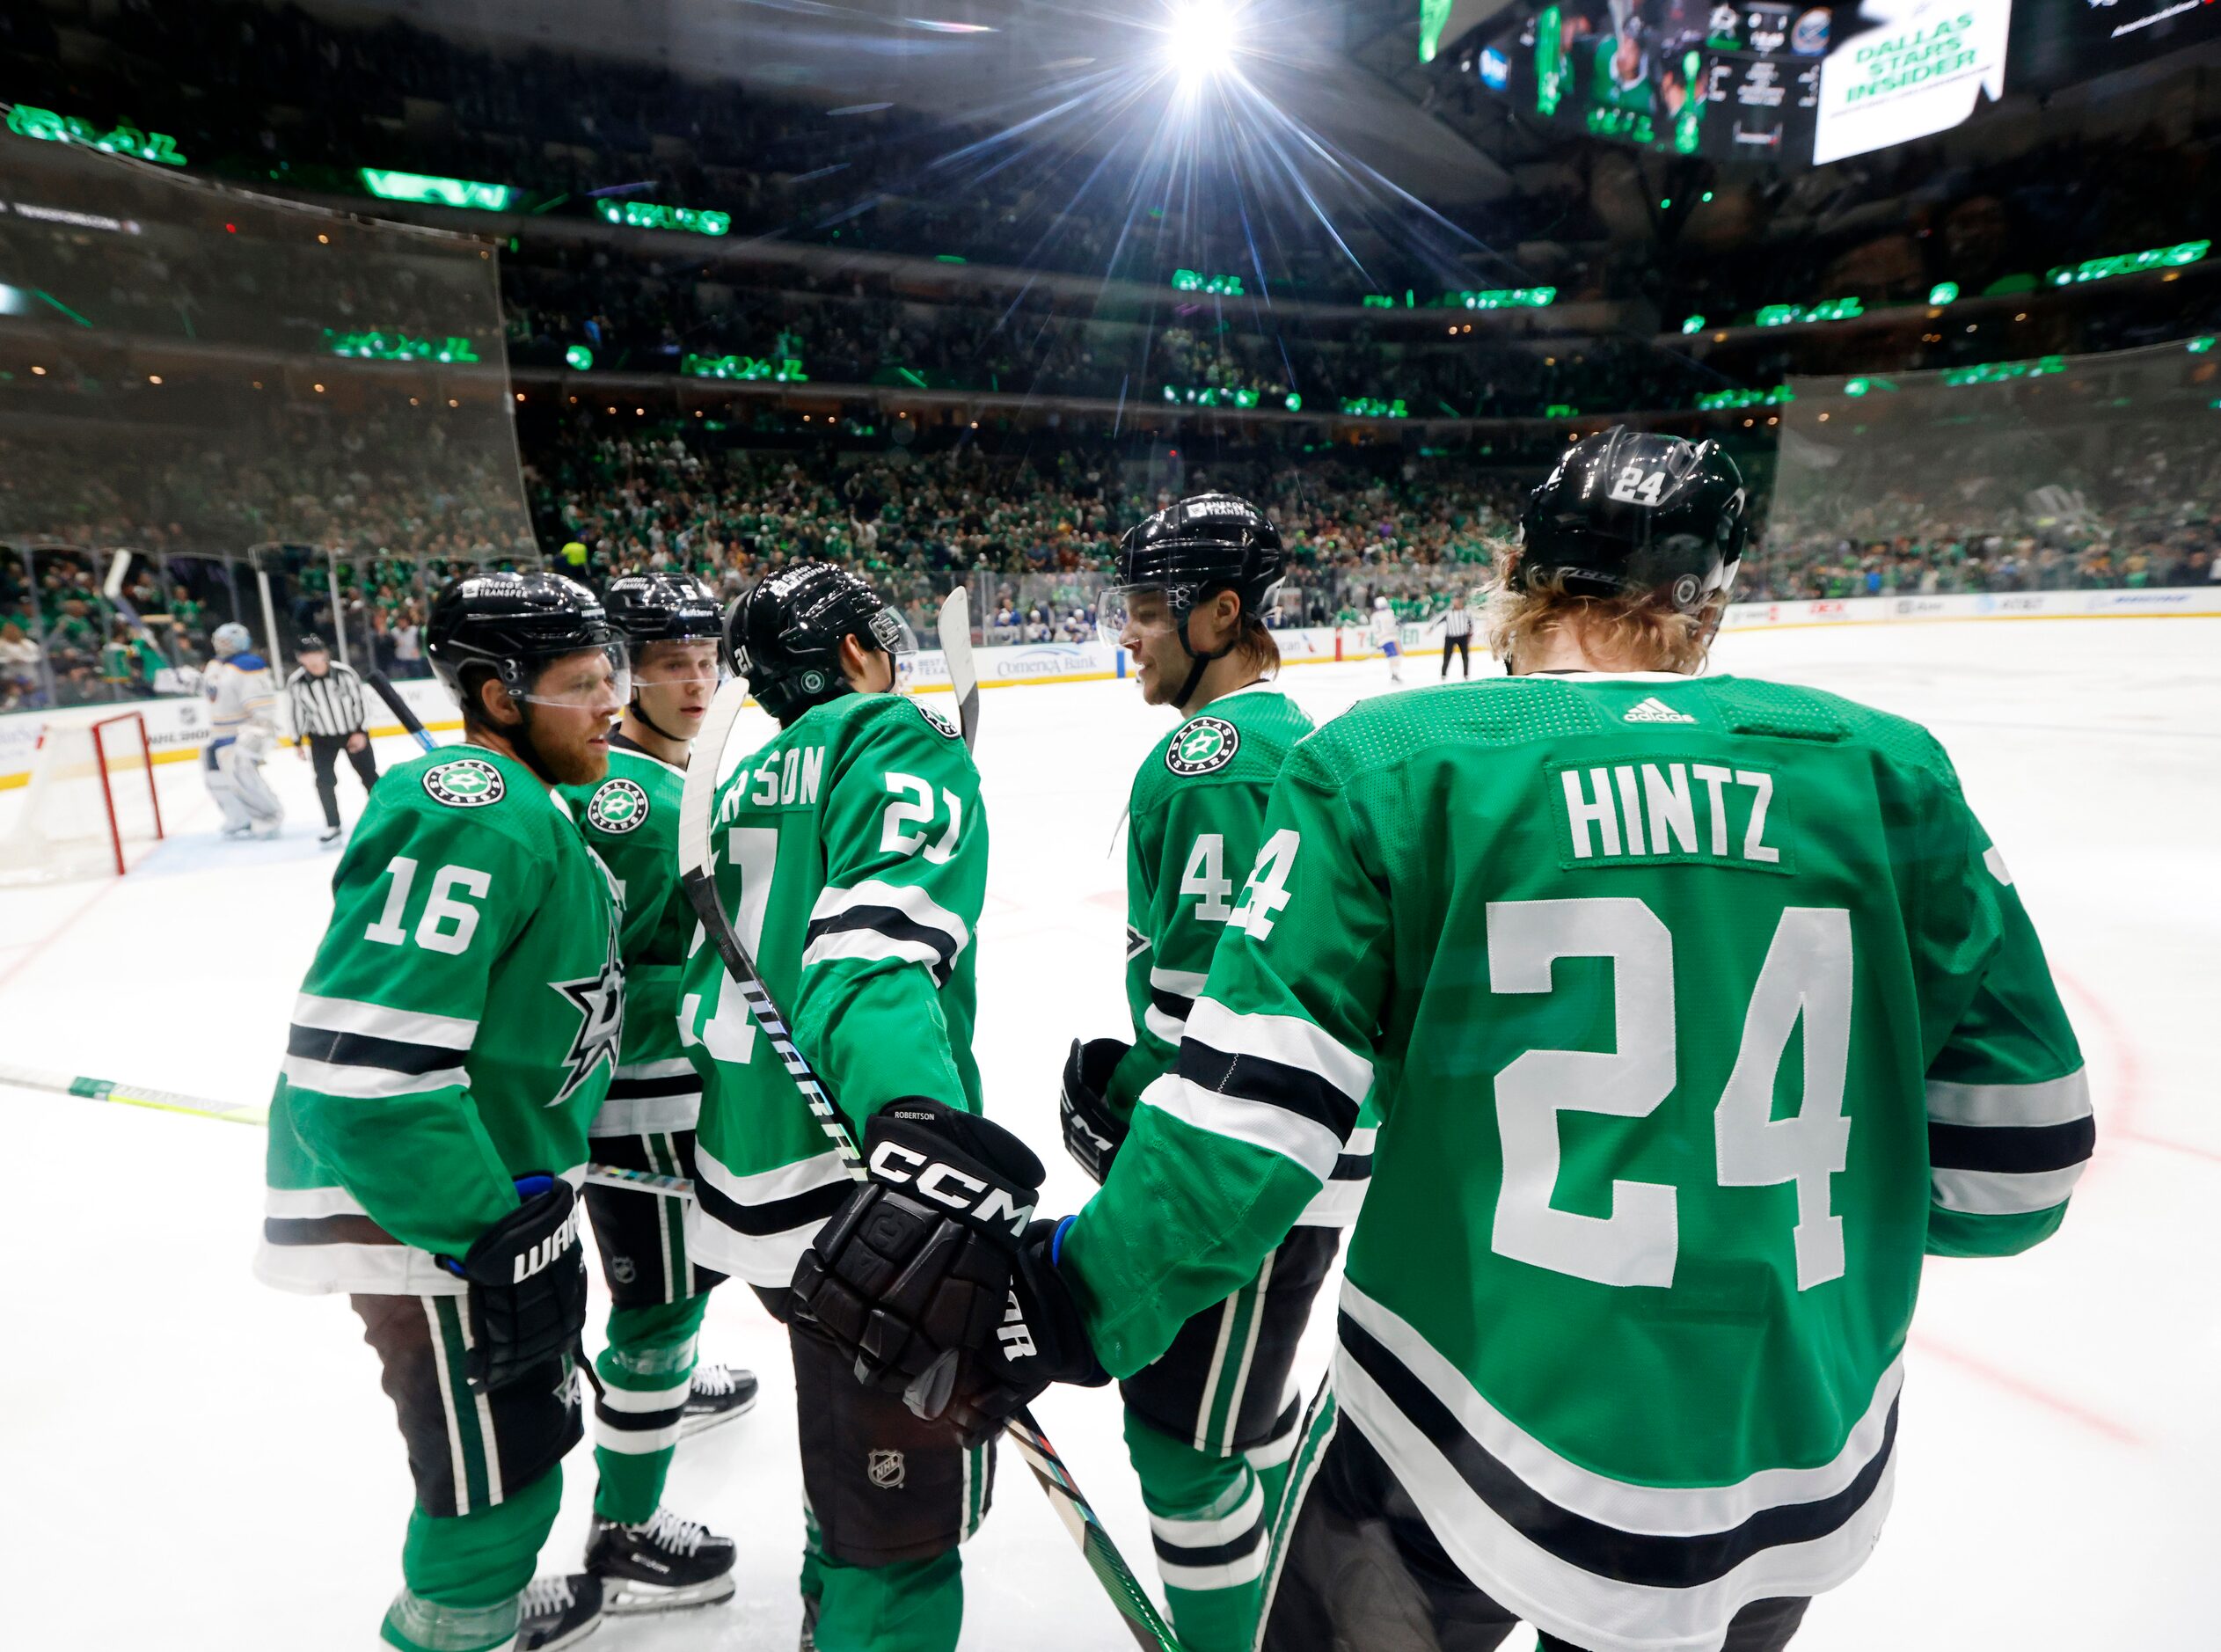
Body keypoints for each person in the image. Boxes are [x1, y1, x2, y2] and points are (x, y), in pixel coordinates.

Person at [789, 427, 2095, 1652]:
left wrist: (1060, 1296)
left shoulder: (1393, 763)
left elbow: (1252, 1128)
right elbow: (2018, 1174)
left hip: (1453, 1428)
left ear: (1518, 578)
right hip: (1789, 1455)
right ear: (1710, 599)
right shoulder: (1888, 771)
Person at [256, 571, 630, 1652]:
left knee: (514, 1460)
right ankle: (457, 1629)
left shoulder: (526, 808)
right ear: (498, 696)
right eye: (580, 684)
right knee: (489, 1494)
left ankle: (480, 1614)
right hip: (432, 1222)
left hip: (477, 1205)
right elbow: (360, 1073)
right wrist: (488, 1232)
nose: (609, 703)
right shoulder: (469, 807)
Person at [1057, 493, 1369, 1652]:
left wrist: (1141, 1098)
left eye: (1145, 611)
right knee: (1244, 1411)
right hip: (1304, 1144)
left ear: (1220, 613)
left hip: (1248, 1161)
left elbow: (1217, 1019)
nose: (1126, 635)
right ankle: (1281, 1585)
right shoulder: (1300, 739)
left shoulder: (1212, 758)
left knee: (1180, 1448)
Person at [677, 562, 996, 1652]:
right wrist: (927, 1163)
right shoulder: (895, 739)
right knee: (898, 1536)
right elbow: (872, 971)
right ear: (857, 653)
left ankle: (825, 1610)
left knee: (843, 1451)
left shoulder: (741, 777)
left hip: (750, 1180)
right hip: (858, 1202)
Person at [554, 572, 756, 1614]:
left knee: (675, 1278)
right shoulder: (644, 796)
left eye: (706, 660)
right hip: (646, 1098)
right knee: (655, 1303)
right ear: (622, 674)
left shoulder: (647, 771)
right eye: (670, 664)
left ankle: (672, 1370)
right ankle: (625, 1530)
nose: (697, 681)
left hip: (651, 1090)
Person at [286, 634, 380, 845]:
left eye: (316, 653)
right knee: (324, 781)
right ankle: (333, 824)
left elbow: (362, 703)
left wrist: (361, 732)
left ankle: (384, 816)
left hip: (352, 733)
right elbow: (295, 712)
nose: (313, 660)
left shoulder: (345, 673)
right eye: (307, 655)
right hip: (321, 738)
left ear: (324, 654)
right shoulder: (297, 682)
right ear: (300, 659)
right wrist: (296, 741)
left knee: (369, 776)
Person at [201, 621, 284, 839]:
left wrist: (259, 731)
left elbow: (263, 705)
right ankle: (238, 817)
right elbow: (212, 692)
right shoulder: (215, 665)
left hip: (242, 731)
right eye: (219, 641)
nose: (221, 645)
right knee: (213, 774)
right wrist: (188, 680)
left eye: (226, 641)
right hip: (219, 732)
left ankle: (269, 816)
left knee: (241, 773)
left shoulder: (249, 664)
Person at [1369, 595, 1403, 683]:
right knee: (1397, 656)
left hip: (1382, 640)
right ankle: (1394, 674)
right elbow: (1393, 625)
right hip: (1391, 637)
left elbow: (1375, 630)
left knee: (1392, 656)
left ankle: (1394, 674)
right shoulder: (1389, 613)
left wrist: (1379, 641)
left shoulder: (1374, 616)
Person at [1441, 590, 1475, 677]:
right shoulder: (1448, 612)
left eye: (1458, 600)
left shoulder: (1466, 612)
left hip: (1463, 636)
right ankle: (1443, 673)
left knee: (1465, 657)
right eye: (1454, 600)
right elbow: (1437, 620)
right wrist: (1430, 629)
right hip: (1450, 637)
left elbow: (1471, 624)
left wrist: (1470, 635)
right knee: (1447, 656)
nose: (1456, 602)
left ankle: (1466, 674)